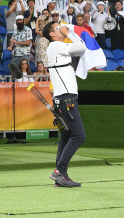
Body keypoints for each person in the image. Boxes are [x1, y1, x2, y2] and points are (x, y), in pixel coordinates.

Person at [42, 21, 87, 188]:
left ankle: (61, 176)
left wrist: (67, 33)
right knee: (79, 136)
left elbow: (80, 47)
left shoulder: (58, 46)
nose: (61, 28)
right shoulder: (54, 45)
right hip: (66, 100)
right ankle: (59, 171)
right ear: (52, 34)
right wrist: (68, 32)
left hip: (64, 99)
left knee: (66, 136)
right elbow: (81, 47)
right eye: (57, 28)